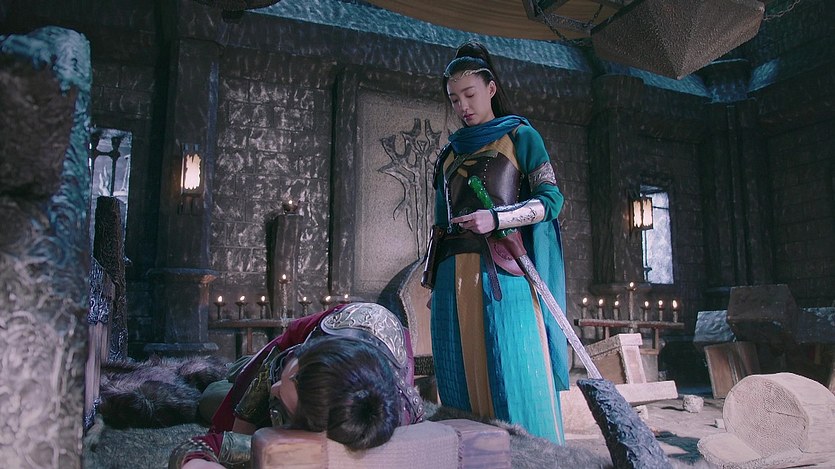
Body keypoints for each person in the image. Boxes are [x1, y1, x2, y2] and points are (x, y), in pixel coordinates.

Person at [422, 40, 570, 444]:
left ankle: (533, 458)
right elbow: (440, 224)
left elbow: (552, 201)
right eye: (455, 99)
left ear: (490, 88)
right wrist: (433, 283)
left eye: (470, 94)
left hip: (505, 274)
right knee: (459, 381)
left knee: (515, 374)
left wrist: (499, 218)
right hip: (452, 278)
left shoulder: (521, 137)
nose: (463, 106)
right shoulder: (448, 155)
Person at [169, 302, 425, 468]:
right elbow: (215, 441)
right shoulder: (297, 354)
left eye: (285, 400)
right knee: (217, 394)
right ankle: (237, 368)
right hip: (300, 342)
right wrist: (240, 436)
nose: (274, 389)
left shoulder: (356, 422)